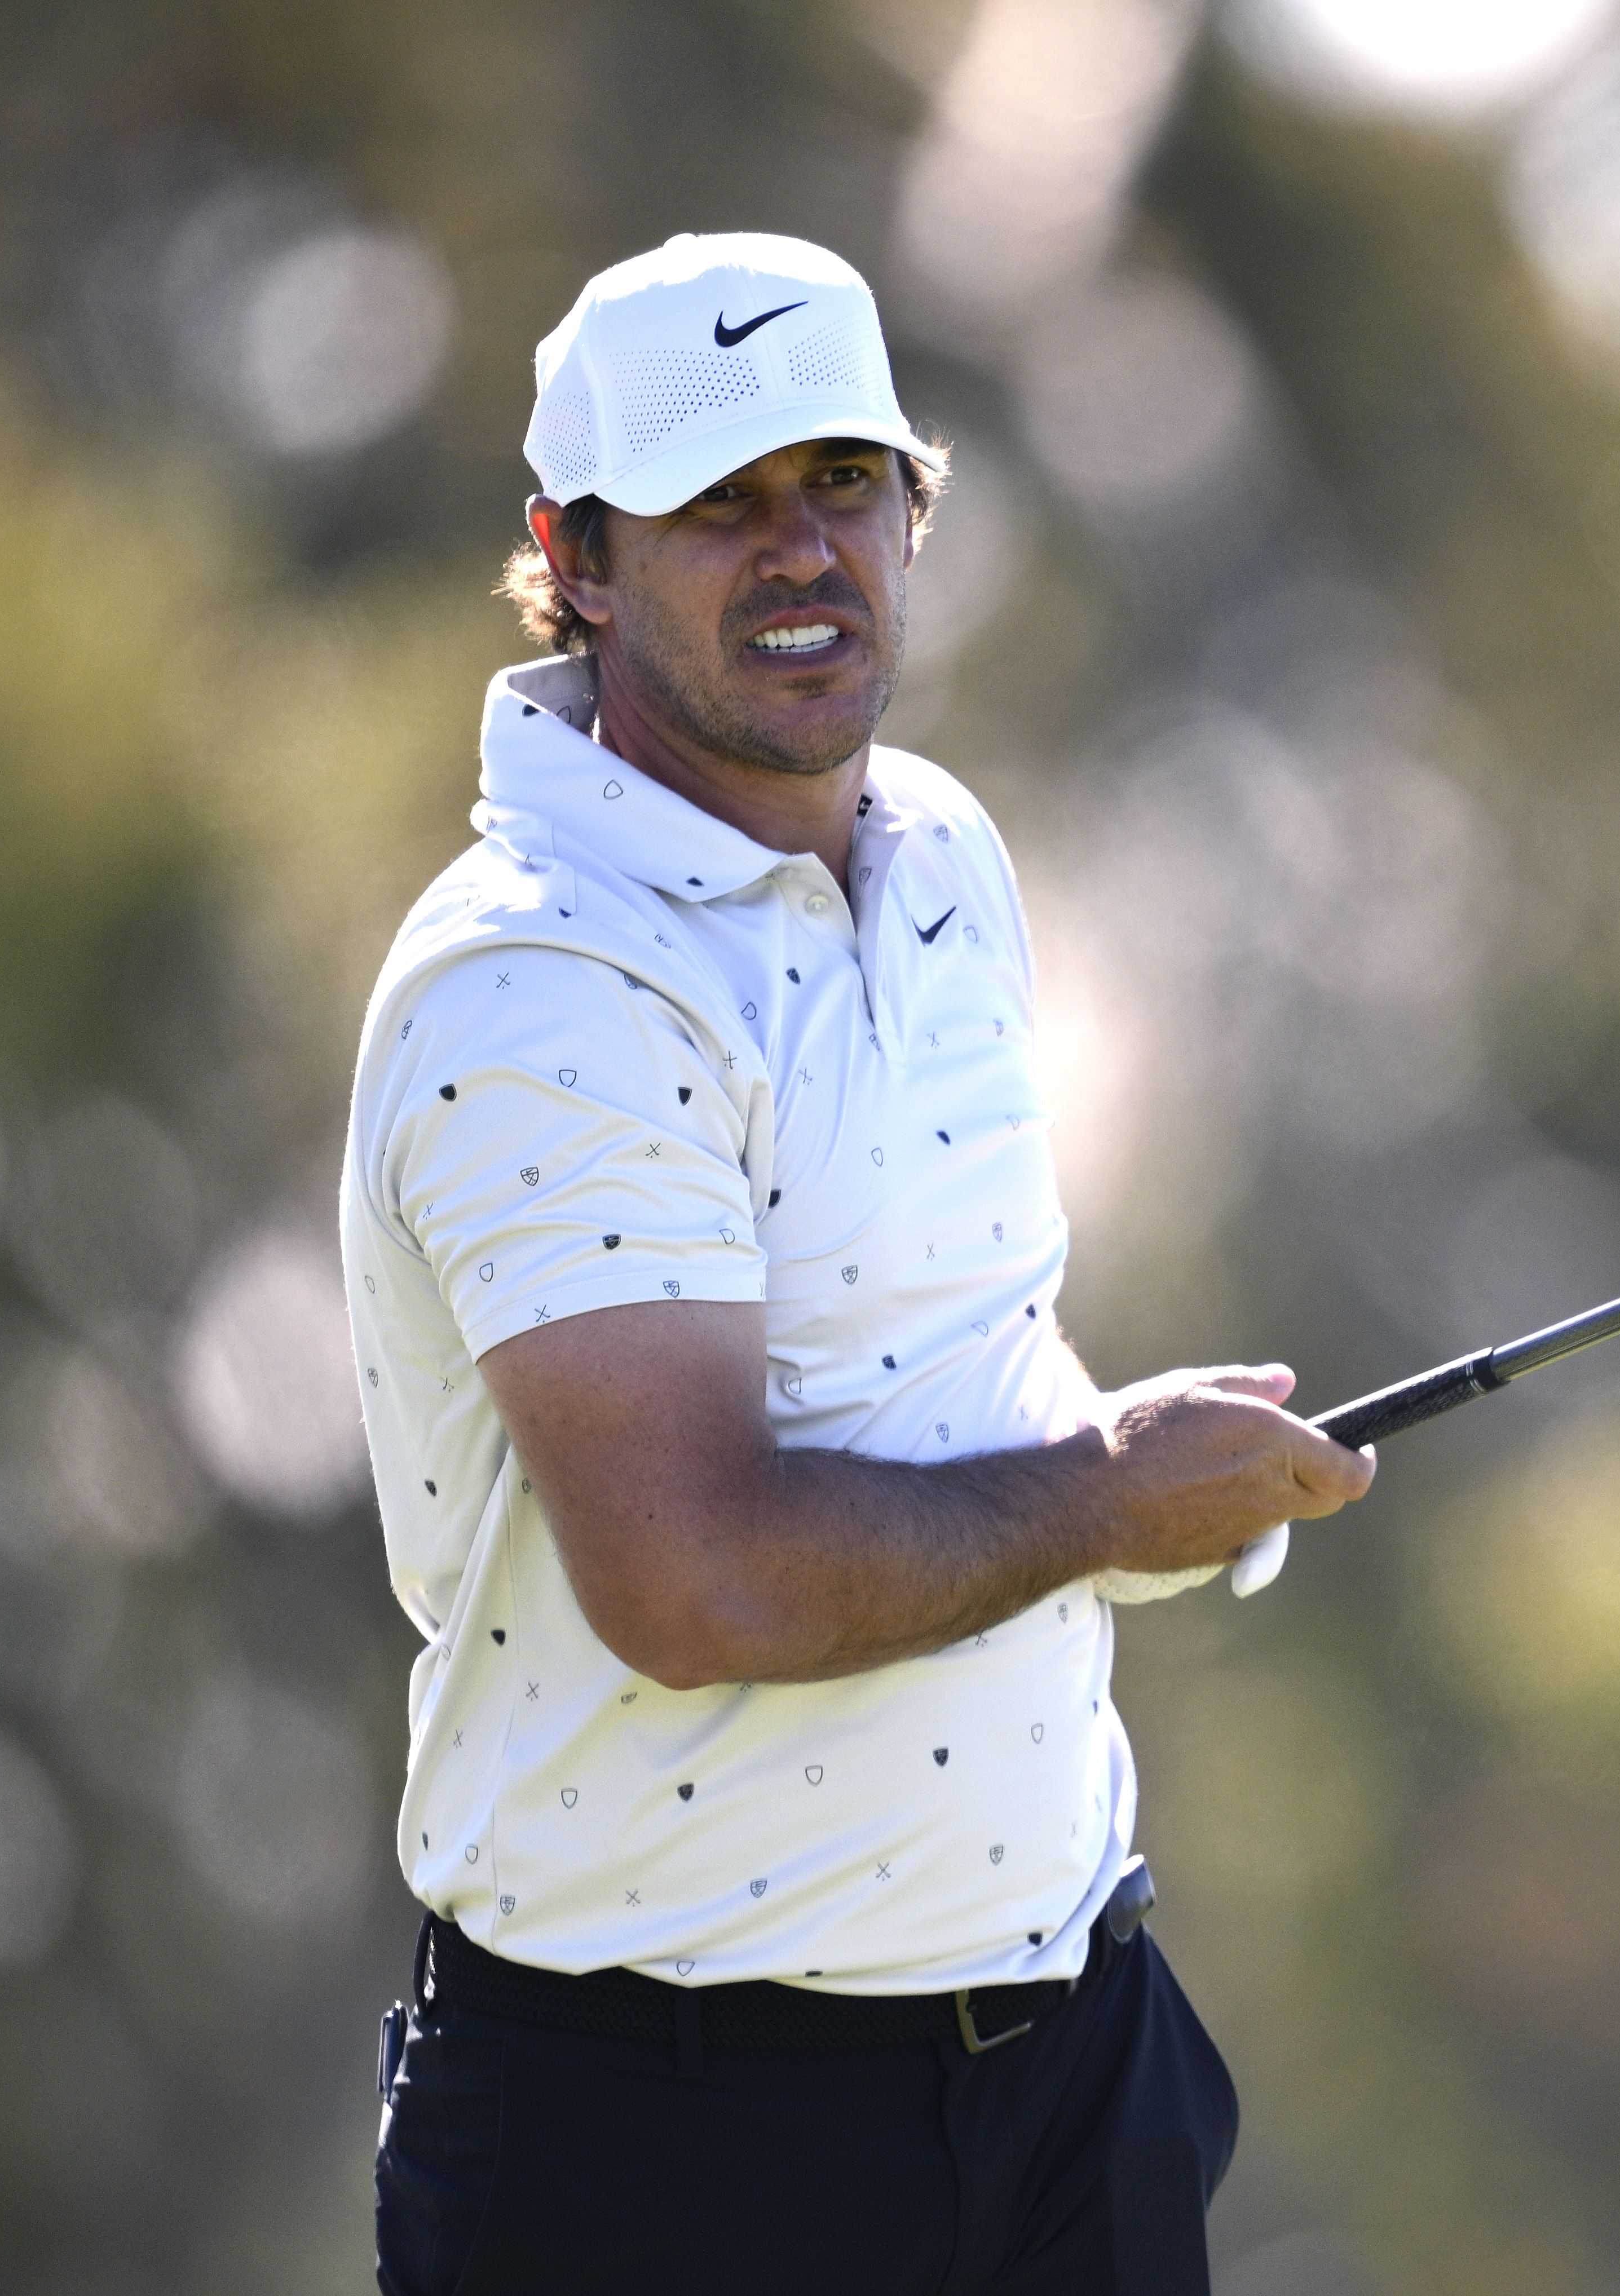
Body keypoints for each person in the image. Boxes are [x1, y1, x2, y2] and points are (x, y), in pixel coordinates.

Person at [342, 232, 1376, 2292]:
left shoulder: (945, 856)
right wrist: (1101, 1503)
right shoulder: (537, 981)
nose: (800, 550)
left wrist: (1135, 1474)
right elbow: (695, 1578)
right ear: (576, 561)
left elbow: (941, 1372)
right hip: (665, 2153)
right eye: (718, 503)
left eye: (841, 482)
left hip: (1069, 2066)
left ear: (916, 511)